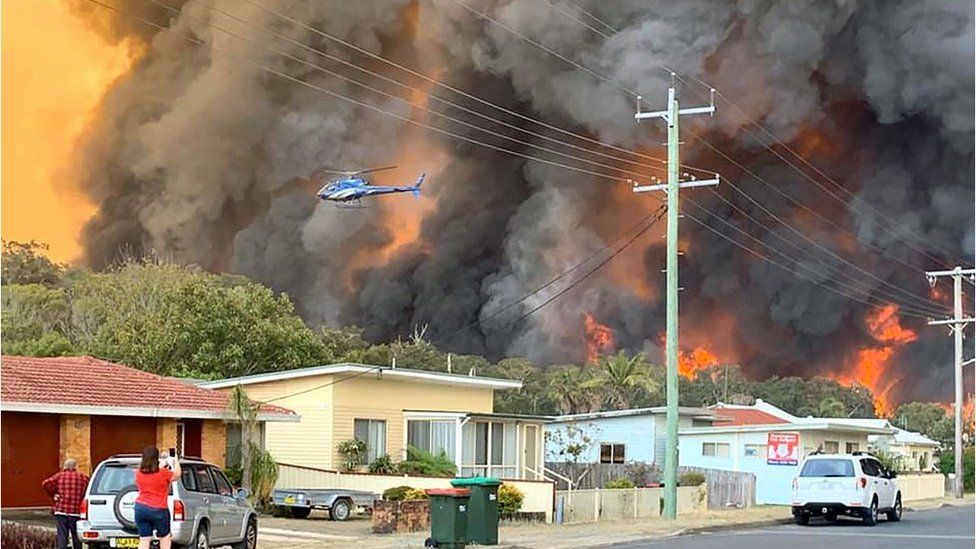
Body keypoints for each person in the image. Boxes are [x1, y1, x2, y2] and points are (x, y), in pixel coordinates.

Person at [134, 445, 182, 549]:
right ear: (156, 458)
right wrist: (175, 460)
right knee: (164, 537)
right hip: (159, 509)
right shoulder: (163, 473)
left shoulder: (138, 473)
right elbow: (177, 474)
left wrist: (162, 463)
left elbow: (150, 471)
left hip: (140, 508)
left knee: (144, 539)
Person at [42, 458, 89, 549]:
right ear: (75, 467)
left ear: (65, 466)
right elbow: (88, 489)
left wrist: (54, 494)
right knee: (76, 535)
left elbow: (45, 483)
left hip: (61, 510)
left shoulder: (59, 476)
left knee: (62, 535)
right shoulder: (83, 477)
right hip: (75, 511)